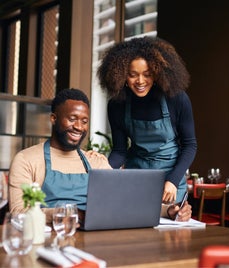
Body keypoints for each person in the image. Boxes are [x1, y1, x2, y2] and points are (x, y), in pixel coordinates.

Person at [97, 36, 197, 216]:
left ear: (158, 73)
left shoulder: (176, 98)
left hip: (171, 179)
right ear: (121, 75)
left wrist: (173, 181)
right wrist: (104, 172)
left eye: (147, 74)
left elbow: (190, 145)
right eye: (132, 74)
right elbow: (120, 151)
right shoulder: (117, 105)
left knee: (173, 235)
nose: (140, 81)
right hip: (137, 178)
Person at [9, 88, 111, 224]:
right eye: (72, 119)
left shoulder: (97, 162)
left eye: (84, 121)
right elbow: (18, 213)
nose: (79, 127)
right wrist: (68, 214)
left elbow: (116, 202)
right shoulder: (26, 159)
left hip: (93, 239)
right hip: (48, 238)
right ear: (53, 118)